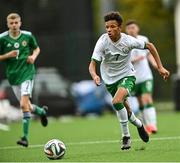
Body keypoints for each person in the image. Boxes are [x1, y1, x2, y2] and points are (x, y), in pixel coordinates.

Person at [89, 11, 170, 150]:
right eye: (107, 27)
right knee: (125, 108)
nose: (109, 30)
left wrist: (160, 67)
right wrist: (94, 75)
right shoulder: (102, 41)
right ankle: (139, 124)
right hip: (109, 80)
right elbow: (92, 64)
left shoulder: (128, 41)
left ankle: (126, 136)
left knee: (116, 101)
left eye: (112, 26)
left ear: (119, 28)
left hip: (127, 76)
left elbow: (150, 46)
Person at [0, 13, 48, 147]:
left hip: (27, 73)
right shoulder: (2, 39)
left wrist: (33, 57)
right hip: (13, 76)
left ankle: (25, 137)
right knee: (27, 105)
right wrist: (7, 55)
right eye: (11, 23)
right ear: (8, 24)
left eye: (16, 23)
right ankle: (42, 112)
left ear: (20, 23)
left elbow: (37, 48)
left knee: (22, 105)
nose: (14, 25)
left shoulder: (27, 35)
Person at [125, 20, 158, 134]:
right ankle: (146, 126)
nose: (131, 30)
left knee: (147, 98)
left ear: (137, 28)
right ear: (126, 30)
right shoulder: (126, 43)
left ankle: (152, 125)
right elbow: (125, 61)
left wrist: (155, 65)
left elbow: (149, 54)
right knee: (140, 103)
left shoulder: (144, 39)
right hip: (134, 78)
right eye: (129, 28)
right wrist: (135, 60)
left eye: (133, 27)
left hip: (146, 76)